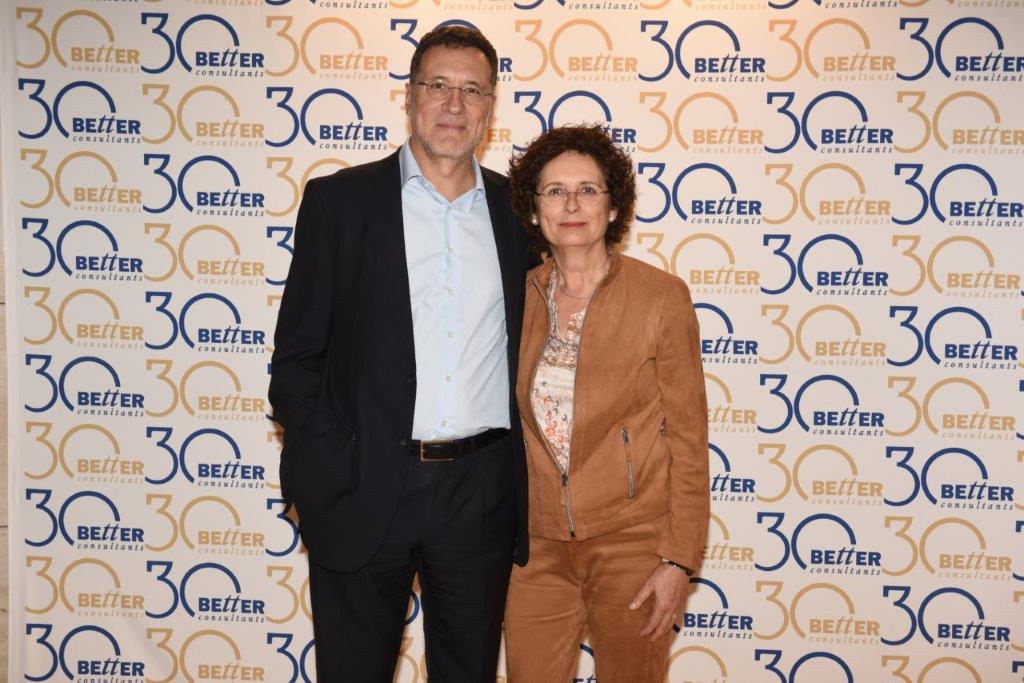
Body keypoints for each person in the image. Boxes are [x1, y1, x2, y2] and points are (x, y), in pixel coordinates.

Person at [269, 26, 533, 682]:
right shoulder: (339, 201)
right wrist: (326, 467)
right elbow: (297, 357)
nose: (454, 104)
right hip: (361, 485)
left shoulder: (519, 213)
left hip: (479, 494)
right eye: (438, 85)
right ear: (410, 96)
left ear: (490, 107)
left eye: (472, 90)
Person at [502, 125, 710, 682]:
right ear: (534, 210)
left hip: (634, 543)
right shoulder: (515, 298)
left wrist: (678, 558)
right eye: (554, 191)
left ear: (613, 207)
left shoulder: (661, 297)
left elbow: (689, 441)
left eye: (588, 190)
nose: (571, 205)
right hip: (535, 546)